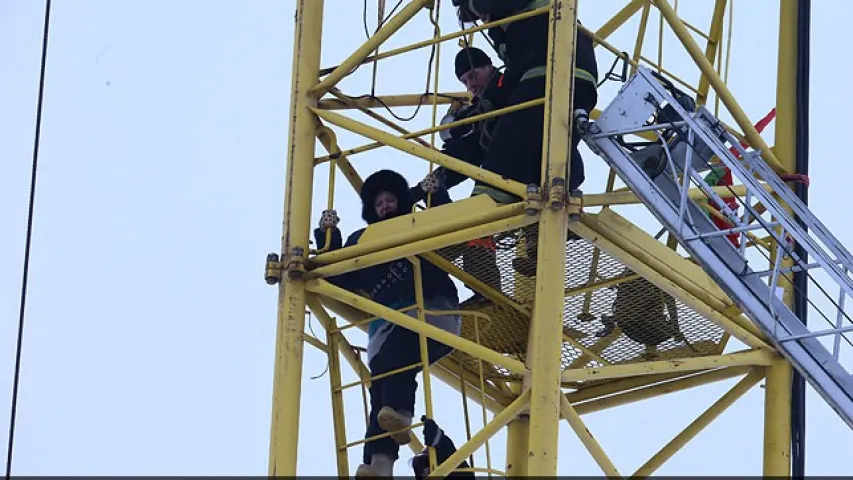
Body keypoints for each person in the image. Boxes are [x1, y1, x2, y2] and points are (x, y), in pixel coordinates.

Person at [314, 170, 463, 478]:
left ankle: (403, 415)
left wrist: (438, 196)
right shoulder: (362, 242)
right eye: (379, 203)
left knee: (397, 363)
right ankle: (380, 464)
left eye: (390, 200)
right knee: (379, 393)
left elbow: (453, 235)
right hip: (389, 326)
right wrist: (328, 238)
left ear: (402, 201)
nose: (384, 206)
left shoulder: (418, 225)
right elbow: (339, 275)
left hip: (432, 311)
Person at [409, 417, 474, 479]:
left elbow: (441, 442)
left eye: (424, 461)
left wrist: (431, 429)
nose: (423, 473)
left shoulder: (447, 460)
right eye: (419, 470)